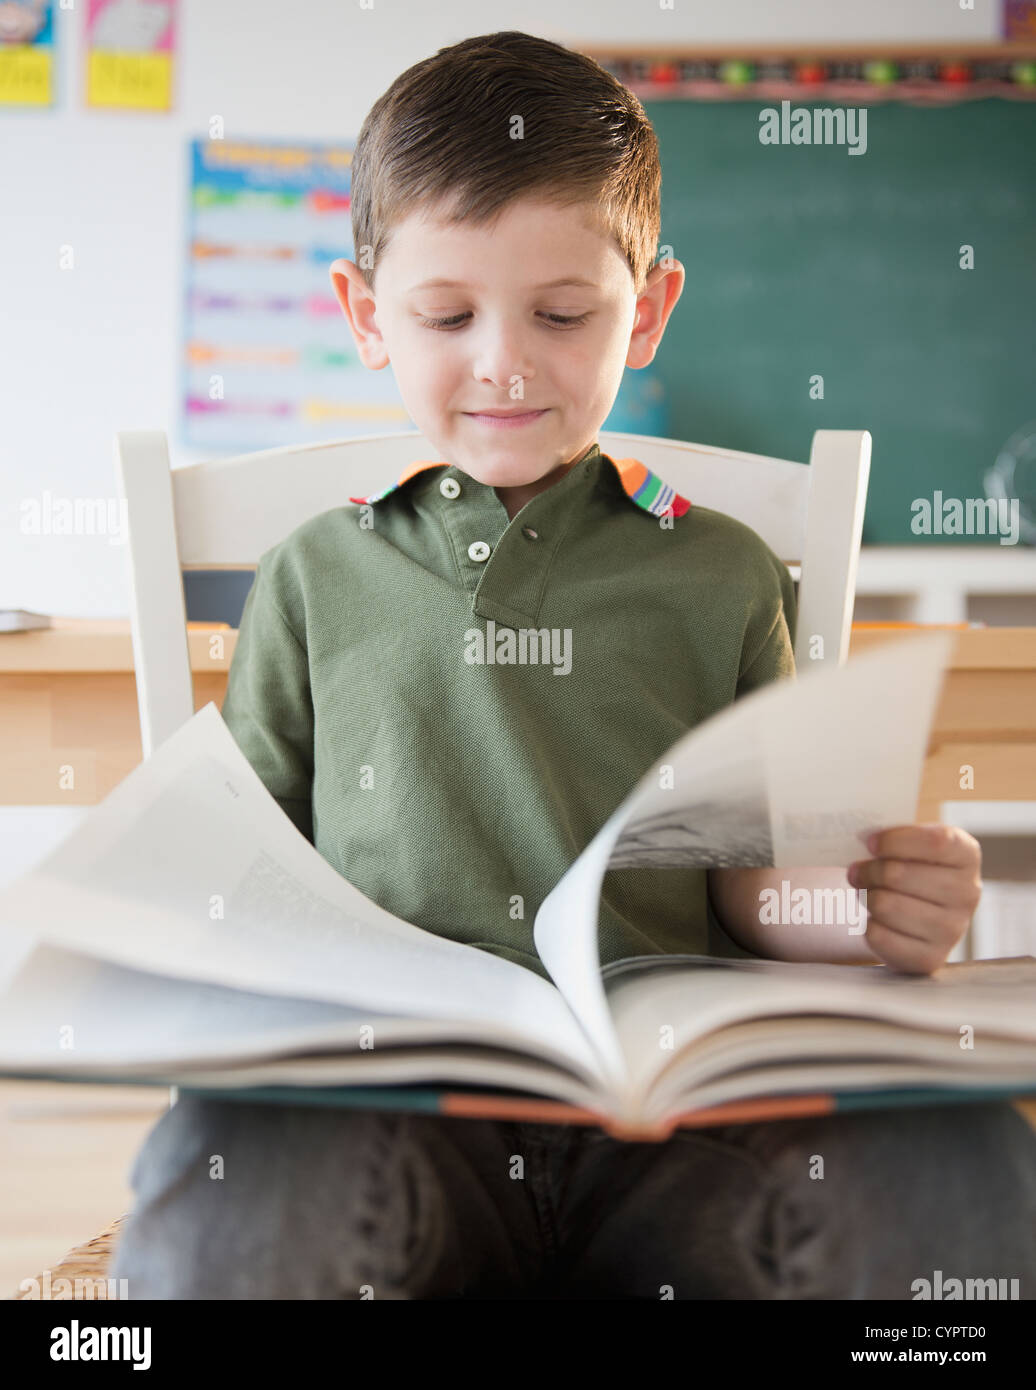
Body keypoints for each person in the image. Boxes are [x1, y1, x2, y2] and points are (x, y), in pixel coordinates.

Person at [111, 30, 1035, 1300]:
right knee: (239, 1174)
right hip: (400, 1116)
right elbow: (245, 874)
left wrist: (863, 906)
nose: (504, 359)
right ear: (365, 315)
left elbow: (755, 888)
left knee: (949, 1157)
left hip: (673, 1128)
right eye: (447, 314)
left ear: (646, 309)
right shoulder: (312, 576)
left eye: (562, 314)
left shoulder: (720, 575)